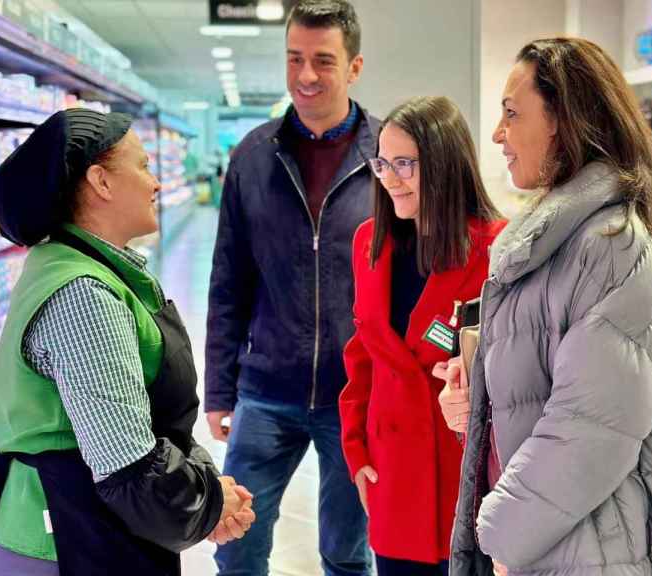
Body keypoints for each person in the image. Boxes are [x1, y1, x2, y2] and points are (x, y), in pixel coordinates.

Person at [436, 38, 652, 576]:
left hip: (606, 548)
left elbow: (591, 428)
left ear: (564, 120)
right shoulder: (560, 241)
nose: (497, 134)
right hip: (571, 539)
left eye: (511, 113)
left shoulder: (617, 246)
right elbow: (555, 384)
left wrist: (507, 535)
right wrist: (478, 385)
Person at [0, 108, 255, 576]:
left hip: (87, 530)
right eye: (142, 166)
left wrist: (204, 501)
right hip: (60, 544)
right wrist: (209, 504)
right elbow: (128, 464)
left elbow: (143, 422)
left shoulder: (85, 268)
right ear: (100, 181)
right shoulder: (83, 295)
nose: (156, 182)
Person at [204, 1, 376, 574]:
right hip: (266, 390)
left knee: (348, 553)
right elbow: (229, 281)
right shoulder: (253, 157)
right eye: (295, 59)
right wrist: (220, 388)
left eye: (323, 61)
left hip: (356, 393)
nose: (306, 76)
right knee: (237, 545)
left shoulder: (389, 157)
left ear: (353, 67)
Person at [339, 96, 505, 576]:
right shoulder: (369, 242)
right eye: (382, 163)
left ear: (445, 164)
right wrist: (357, 456)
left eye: (405, 164)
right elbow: (361, 358)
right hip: (392, 476)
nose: (389, 178)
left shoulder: (497, 248)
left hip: (466, 481)